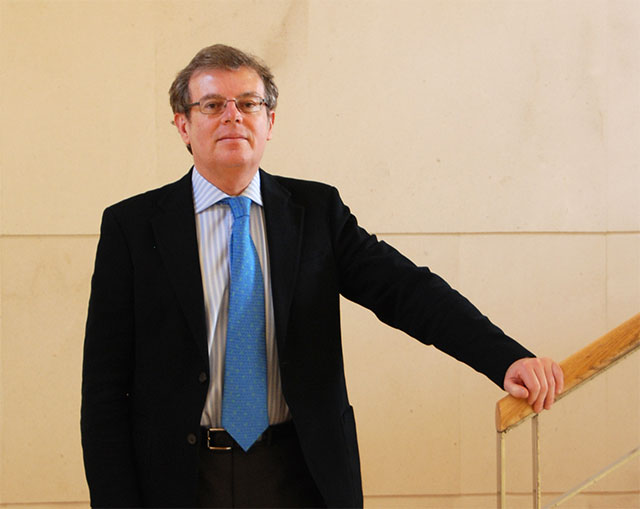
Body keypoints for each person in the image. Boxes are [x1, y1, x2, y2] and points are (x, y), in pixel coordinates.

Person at [81, 44, 564, 509]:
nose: (232, 116)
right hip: (178, 478)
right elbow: (104, 387)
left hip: (302, 474)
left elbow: (406, 291)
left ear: (270, 122)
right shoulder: (132, 227)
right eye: (212, 104)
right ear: (183, 125)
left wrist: (504, 358)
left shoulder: (316, 212)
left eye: (248, 103)